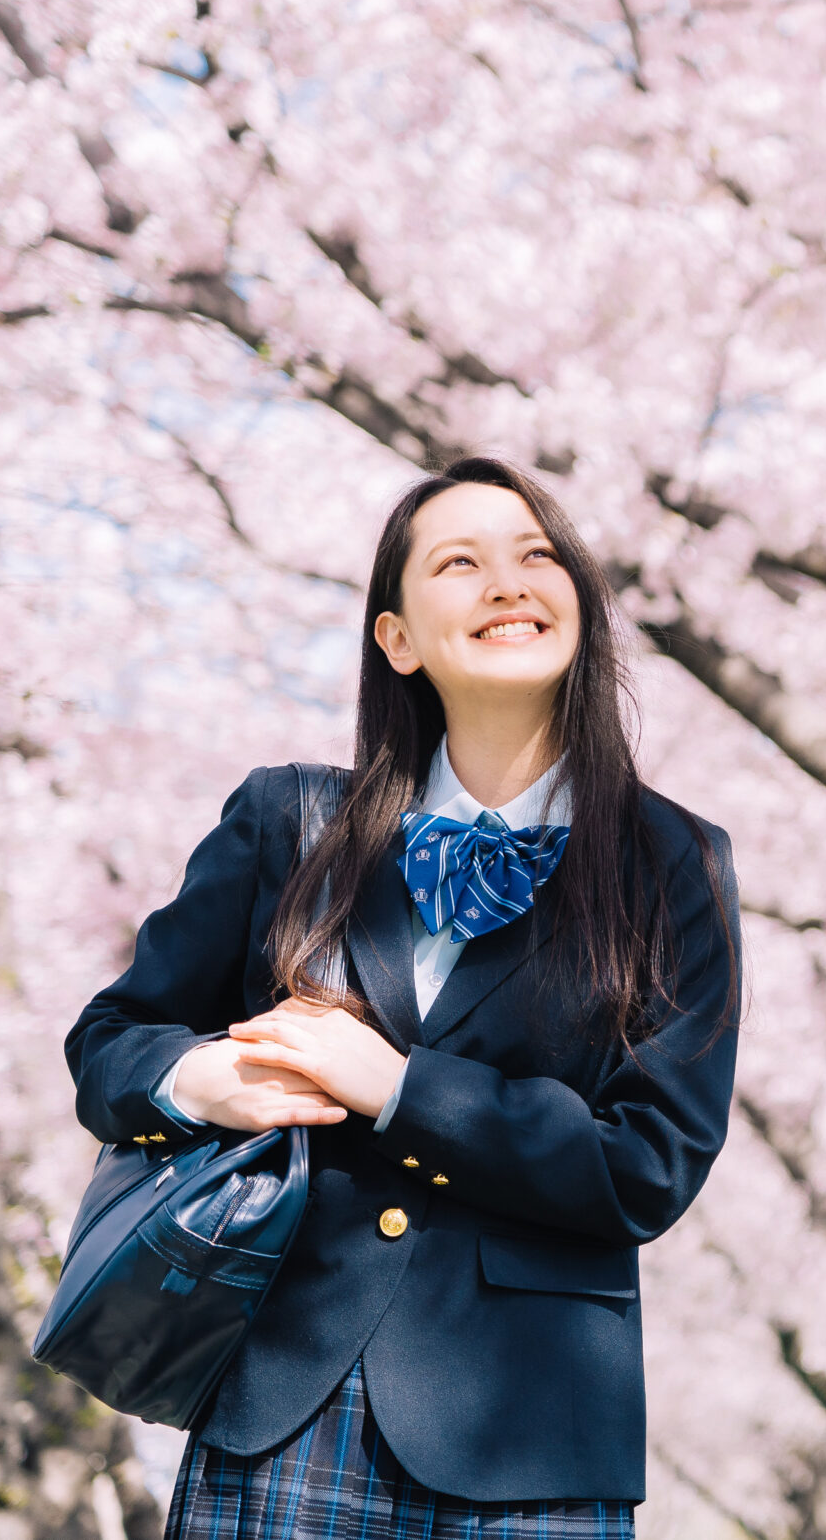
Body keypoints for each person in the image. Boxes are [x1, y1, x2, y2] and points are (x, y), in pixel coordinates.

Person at [66, 456, 740, 1537]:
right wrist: (206, 1075)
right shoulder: (288, 823)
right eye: (460, 563)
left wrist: (396, 1087)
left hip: (533, 1440)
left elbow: (646, 1165)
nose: (508, 583)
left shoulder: (675, 864)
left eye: (536, 555)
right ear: (398, 637)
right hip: (285, 1410)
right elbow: (109, 1041)